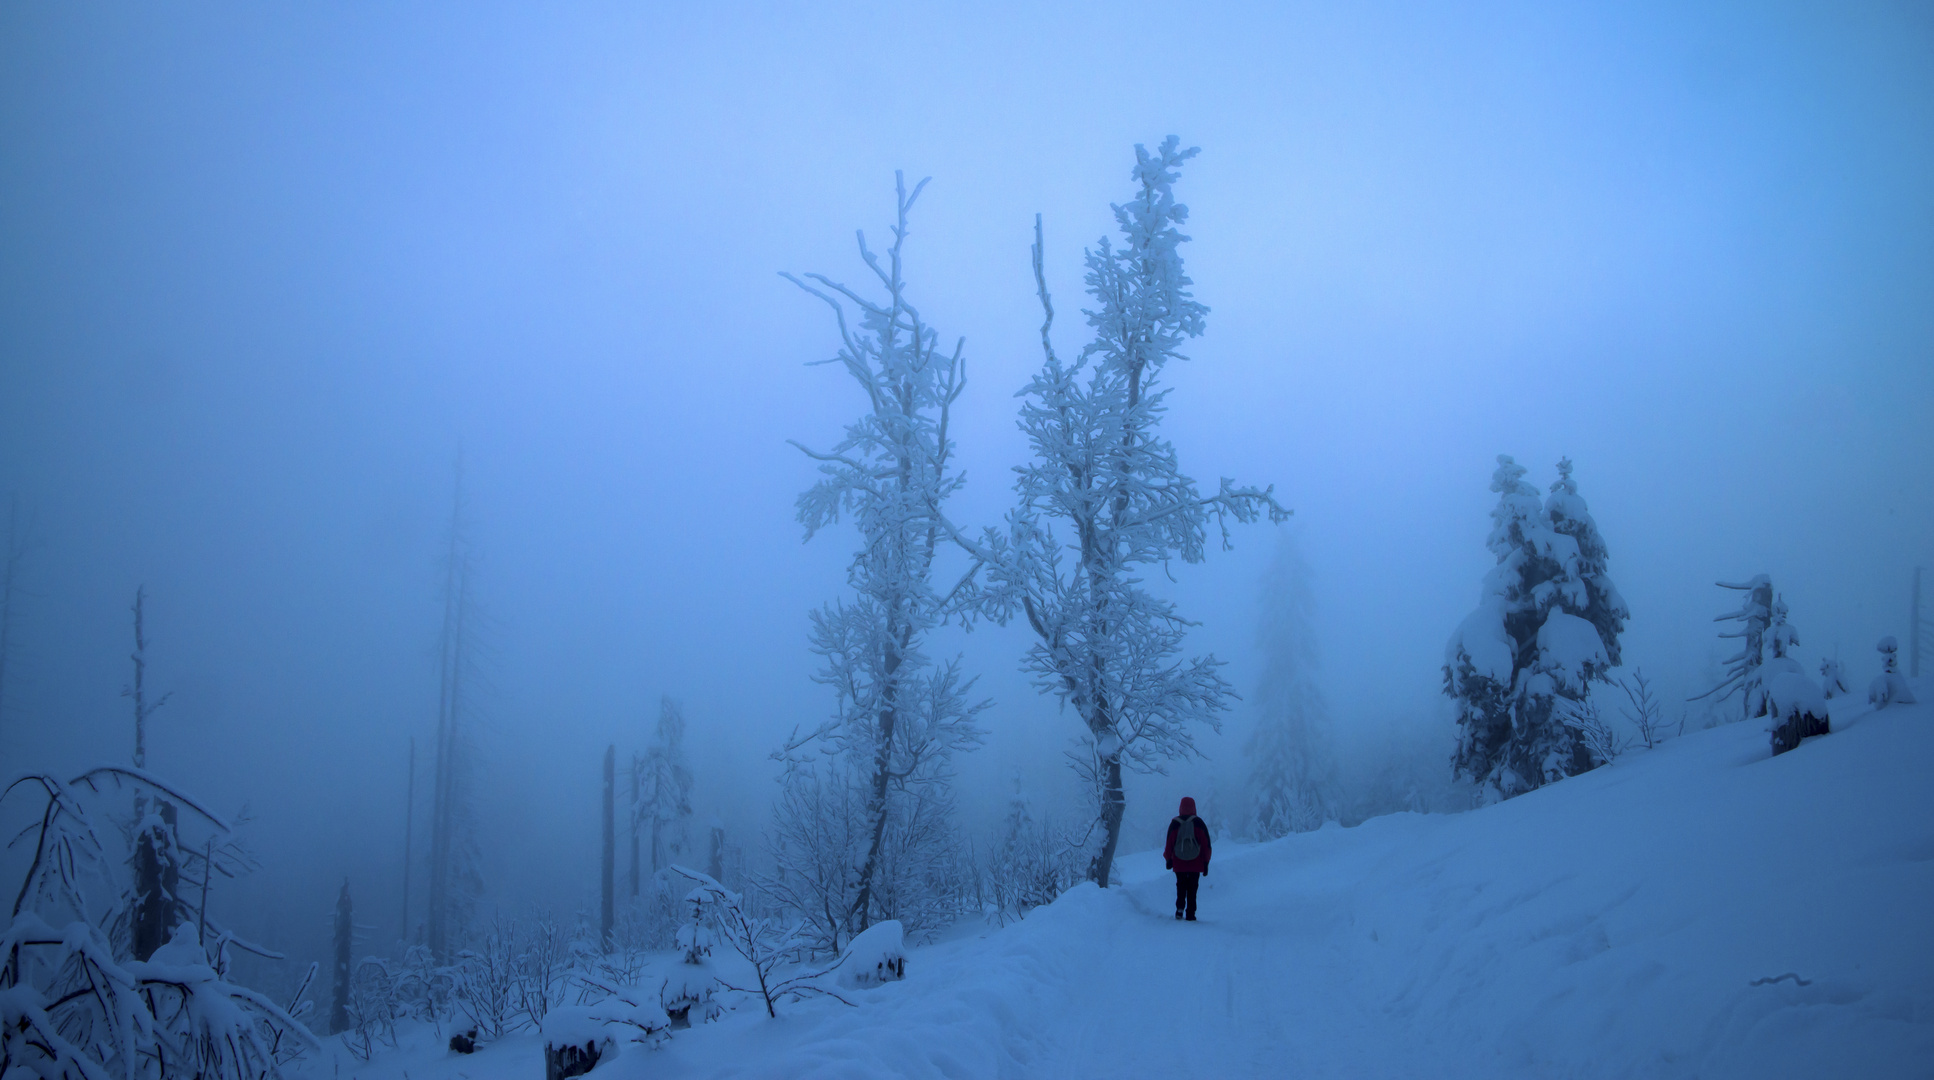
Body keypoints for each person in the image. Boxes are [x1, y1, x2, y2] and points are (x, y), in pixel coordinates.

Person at [1163, 796, 1212, 921]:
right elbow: (1206, 844)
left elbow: (1169, 843)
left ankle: (1179, 909)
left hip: (1179, 863)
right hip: (1196, 863)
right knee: (1193, 888)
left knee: (1181, 886)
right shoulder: (1199, 823)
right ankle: (1190, 913)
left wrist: (1168, 859)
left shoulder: (1175, 823)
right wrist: (1206, 862)